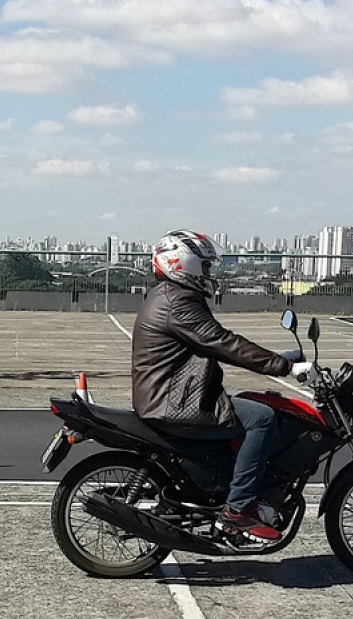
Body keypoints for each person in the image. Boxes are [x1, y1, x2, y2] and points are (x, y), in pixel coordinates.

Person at [131, 229, 299, 542]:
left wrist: (278, 359)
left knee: (250, 405)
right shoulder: (178, 302)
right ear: (183, 265)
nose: (209, 273)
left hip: (169, 393)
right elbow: (221, 342)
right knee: (262, 418)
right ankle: (238, 512)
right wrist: (282, 366)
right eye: (205, 266)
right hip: (172, 400)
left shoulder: (168, 295)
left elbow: (216, 341)